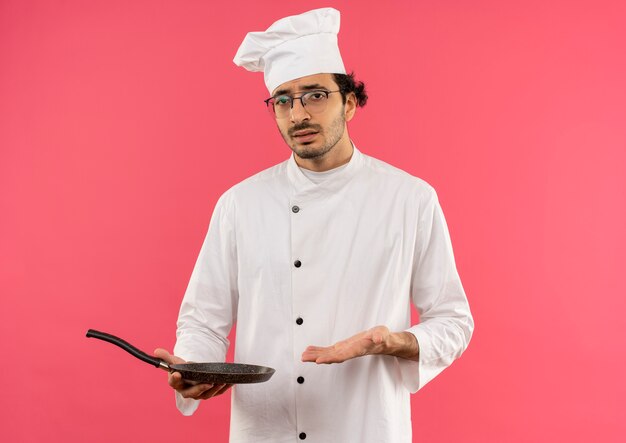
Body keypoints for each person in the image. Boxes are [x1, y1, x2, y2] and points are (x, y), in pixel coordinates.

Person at [154, 8, 473, 443]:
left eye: (315, 95)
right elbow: (204, 321)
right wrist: (193, 367)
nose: (298, 113)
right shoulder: (240, 205)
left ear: (350, 102)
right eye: (283, 100)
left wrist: (392, 342)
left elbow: (453, 320)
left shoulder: (410, 199)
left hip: (364, 428)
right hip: (265, 430)